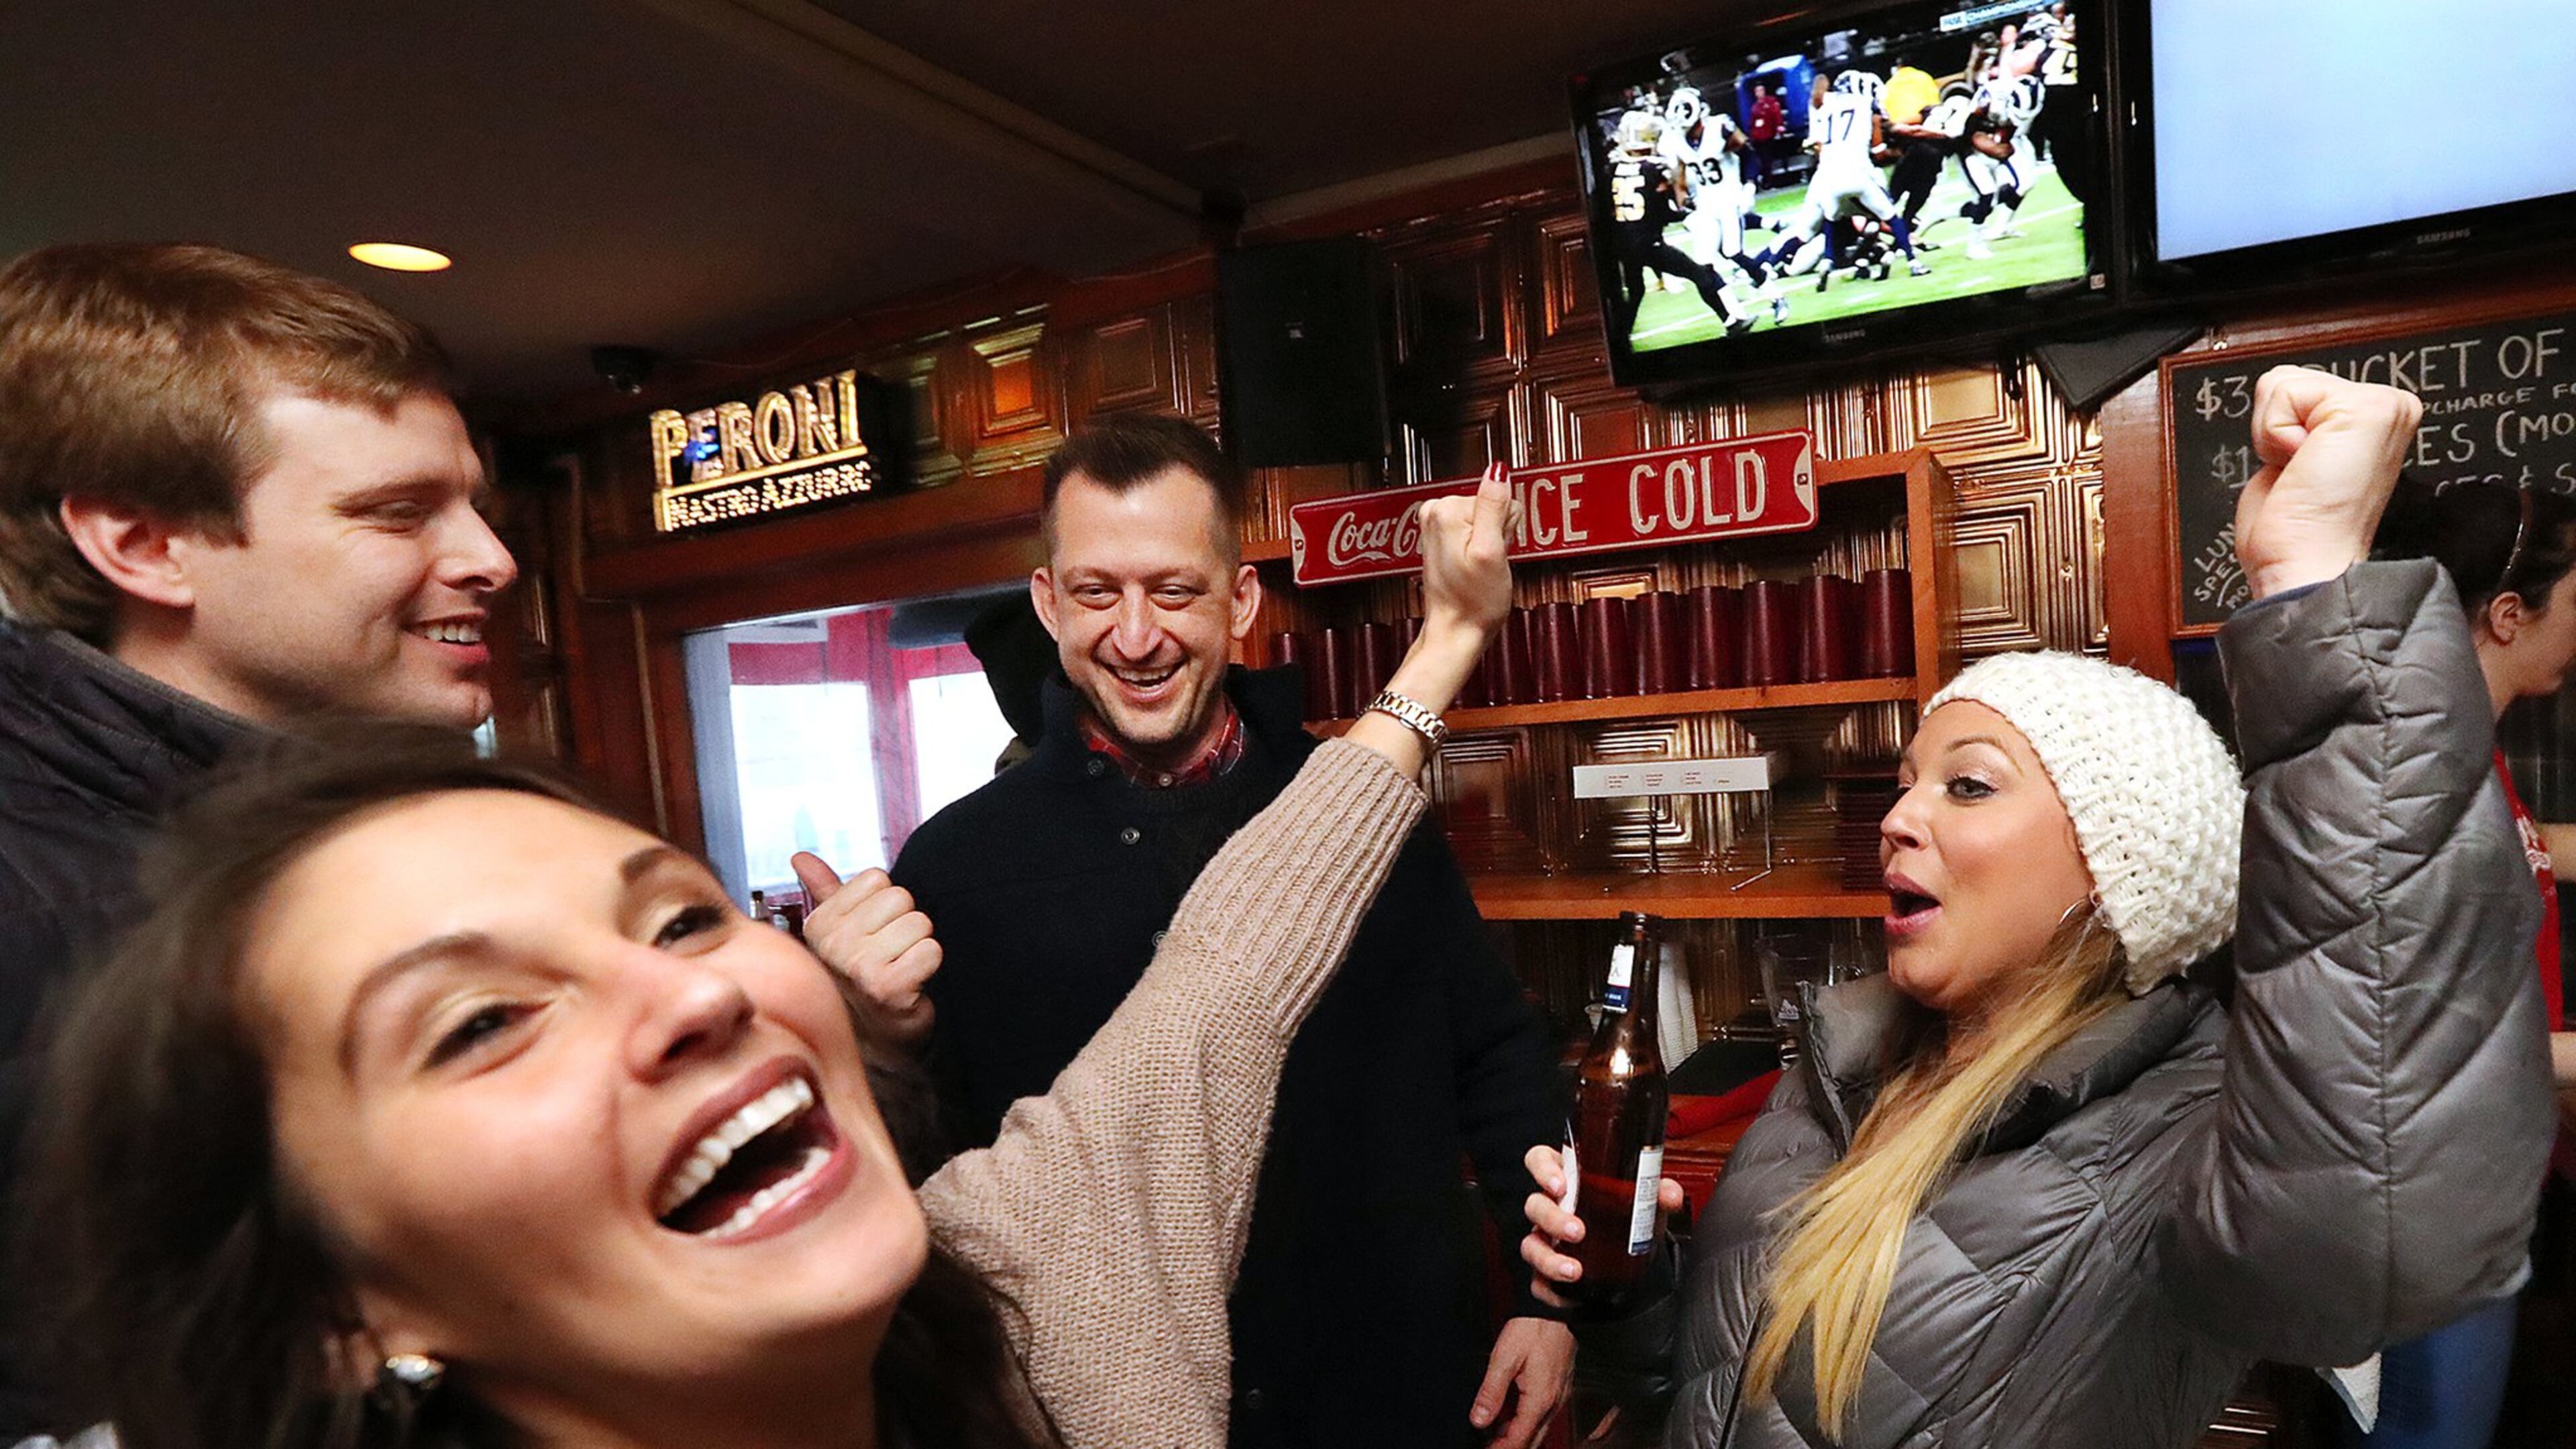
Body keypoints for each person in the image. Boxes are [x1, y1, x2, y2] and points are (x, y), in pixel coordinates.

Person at [17, 467, 1523, 1449]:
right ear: (338, 1302)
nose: (693, 994)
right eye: (479, 1024)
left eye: (681, 920)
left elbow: (1230, 975)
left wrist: (1449, 642)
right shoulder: (968, 855)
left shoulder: (1024, 1278)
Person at [1518, 368, 2555, 1448]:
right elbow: (1728, 1396)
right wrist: (1628, 1295)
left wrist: (2319, 590)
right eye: (1909, 779)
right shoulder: (1827, 1084)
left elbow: (2392, 1208)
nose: (1899, 818)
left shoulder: (2181, 1136)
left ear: (2118, 870)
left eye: (1967, 785)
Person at [800, 419, 1572, 1449]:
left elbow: (1497, 1054)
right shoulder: (955, 862)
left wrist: (1545, 1303)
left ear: (1240, 600)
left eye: (1172, 591)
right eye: (1095, 592)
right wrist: (868, 1039)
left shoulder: (1364, 811)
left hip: (1391, 1390)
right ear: (1047, 603)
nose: (1135, 634)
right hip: (1103, 1408)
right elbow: (944, 1189)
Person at [0, 242, 515, 1434]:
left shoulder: (353, 834)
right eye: (396, 513)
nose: (491, 559)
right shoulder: (31, 915)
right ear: (142, 546)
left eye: (473, 503)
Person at [2349, 476, 2576, 1449]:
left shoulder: (2464, 757)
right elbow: (2412, 1046)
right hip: (2434, 1213)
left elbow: (2522, 853)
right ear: (2509, 614)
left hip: (2485, 1193)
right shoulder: (2421, 776)